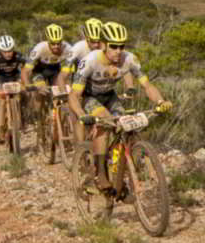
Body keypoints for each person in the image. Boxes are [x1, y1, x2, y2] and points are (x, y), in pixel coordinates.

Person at [64, 22, 170, 190]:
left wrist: (160, 101)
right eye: (114, 46)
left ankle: (119, 170)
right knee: (106, 122)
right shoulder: (90, 61)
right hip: (89, 96)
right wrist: (80, 113)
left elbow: (147, 85)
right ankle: (100, 174)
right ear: (104, 45)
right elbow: (74, 95)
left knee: (125, 124)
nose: (118, 51)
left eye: (122, 46)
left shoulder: (129, 59)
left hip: (109, 95)